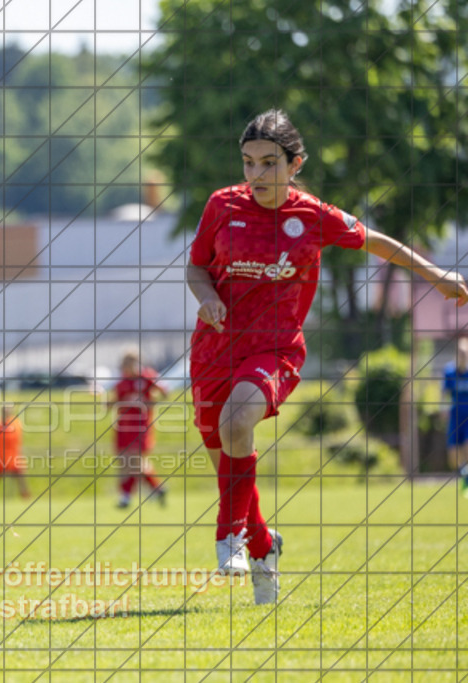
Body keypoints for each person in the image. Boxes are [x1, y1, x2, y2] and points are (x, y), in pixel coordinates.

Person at [186, 109, 468, 605]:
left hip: (274, 351)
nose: (256, 175)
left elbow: (380, 243)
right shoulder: (221, 206)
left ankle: (226, 536)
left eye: (269, 163)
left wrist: (437, 275)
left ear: (295, 165)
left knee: (236, 424)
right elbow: (196, 269)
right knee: (228, 459)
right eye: (248, 163)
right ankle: (262, 544)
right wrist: (206, 297)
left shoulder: (313, 216)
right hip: (214, 349)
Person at [108, 348, 167, 508]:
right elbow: (112, 403)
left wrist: (150, 401)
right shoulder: (122, 383)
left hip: (141, 426)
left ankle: (126, 497)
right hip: (123, 427)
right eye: (125, 364)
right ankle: (157, 489)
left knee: (134, 461)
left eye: (131, 363)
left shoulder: (147, 377)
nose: (128, 368)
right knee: (126, 462)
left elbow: (164, 390)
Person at [0, 404, 30, 500]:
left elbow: (19, 440)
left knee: (20, 477)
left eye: (8, 409)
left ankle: (25, 497)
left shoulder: (16, 423)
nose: (7, 411)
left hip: (13, 455)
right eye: (5, 409)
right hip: (0, 455)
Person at [442, 337, 468, 495]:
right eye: (461, 353)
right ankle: (463, 472)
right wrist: (442, 409)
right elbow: (444, 393)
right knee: (453, 455)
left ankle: (466, 476)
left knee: (467, 447)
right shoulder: (449, 372)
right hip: (454, 417)